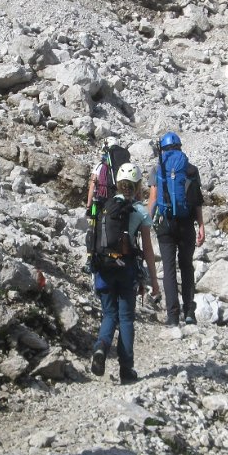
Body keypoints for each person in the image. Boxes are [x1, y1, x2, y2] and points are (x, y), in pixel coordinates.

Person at [89, 163, 160, 383]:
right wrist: (154, 282)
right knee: (126, 318)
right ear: (138, 186)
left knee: (109, 314)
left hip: (104, 267)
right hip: (127, 269)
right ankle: (126, 370)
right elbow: (147, 248)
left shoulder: (104, 206)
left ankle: (101, 346)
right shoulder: (139, 211)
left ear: (118, 184)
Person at [147, 132, 205, 326]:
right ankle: (189, 312)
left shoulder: (158, 168)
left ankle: (173, 316)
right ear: (180, 147)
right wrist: (202, 225)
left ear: (162, 149)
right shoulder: (190, 169)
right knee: (187, 266)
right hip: (187, 223)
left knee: (169, 269)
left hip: (165, 224)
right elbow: (196, 200)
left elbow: (153, 199)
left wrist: (148, 222)